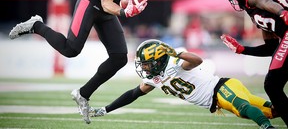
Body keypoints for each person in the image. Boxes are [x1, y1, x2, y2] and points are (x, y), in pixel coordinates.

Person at [8, 0, 202, 124]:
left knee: (119, 58)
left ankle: (83, 93)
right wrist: (124, 13)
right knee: (71, 49)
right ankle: (36, 25)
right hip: (93, 3)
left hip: (111, 7)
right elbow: (106, 2)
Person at [88, 39, 278, 129]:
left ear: (158, 60)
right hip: (217, 100)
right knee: (273, 110)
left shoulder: (174, 61)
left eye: (147, 64)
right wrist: (105, 109)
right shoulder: (154, 78)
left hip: (222, 88)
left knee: (243, 107)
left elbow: (197, 60)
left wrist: (176, 54)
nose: (145, 68)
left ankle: (267, 128)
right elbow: (132, 94)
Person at [220, 0, 288, 127]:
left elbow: (263, 0)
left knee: (272, 85)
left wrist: (282, 12)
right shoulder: (255, 11)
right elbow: (271, 49)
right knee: (274, 85)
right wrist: (243, 50)